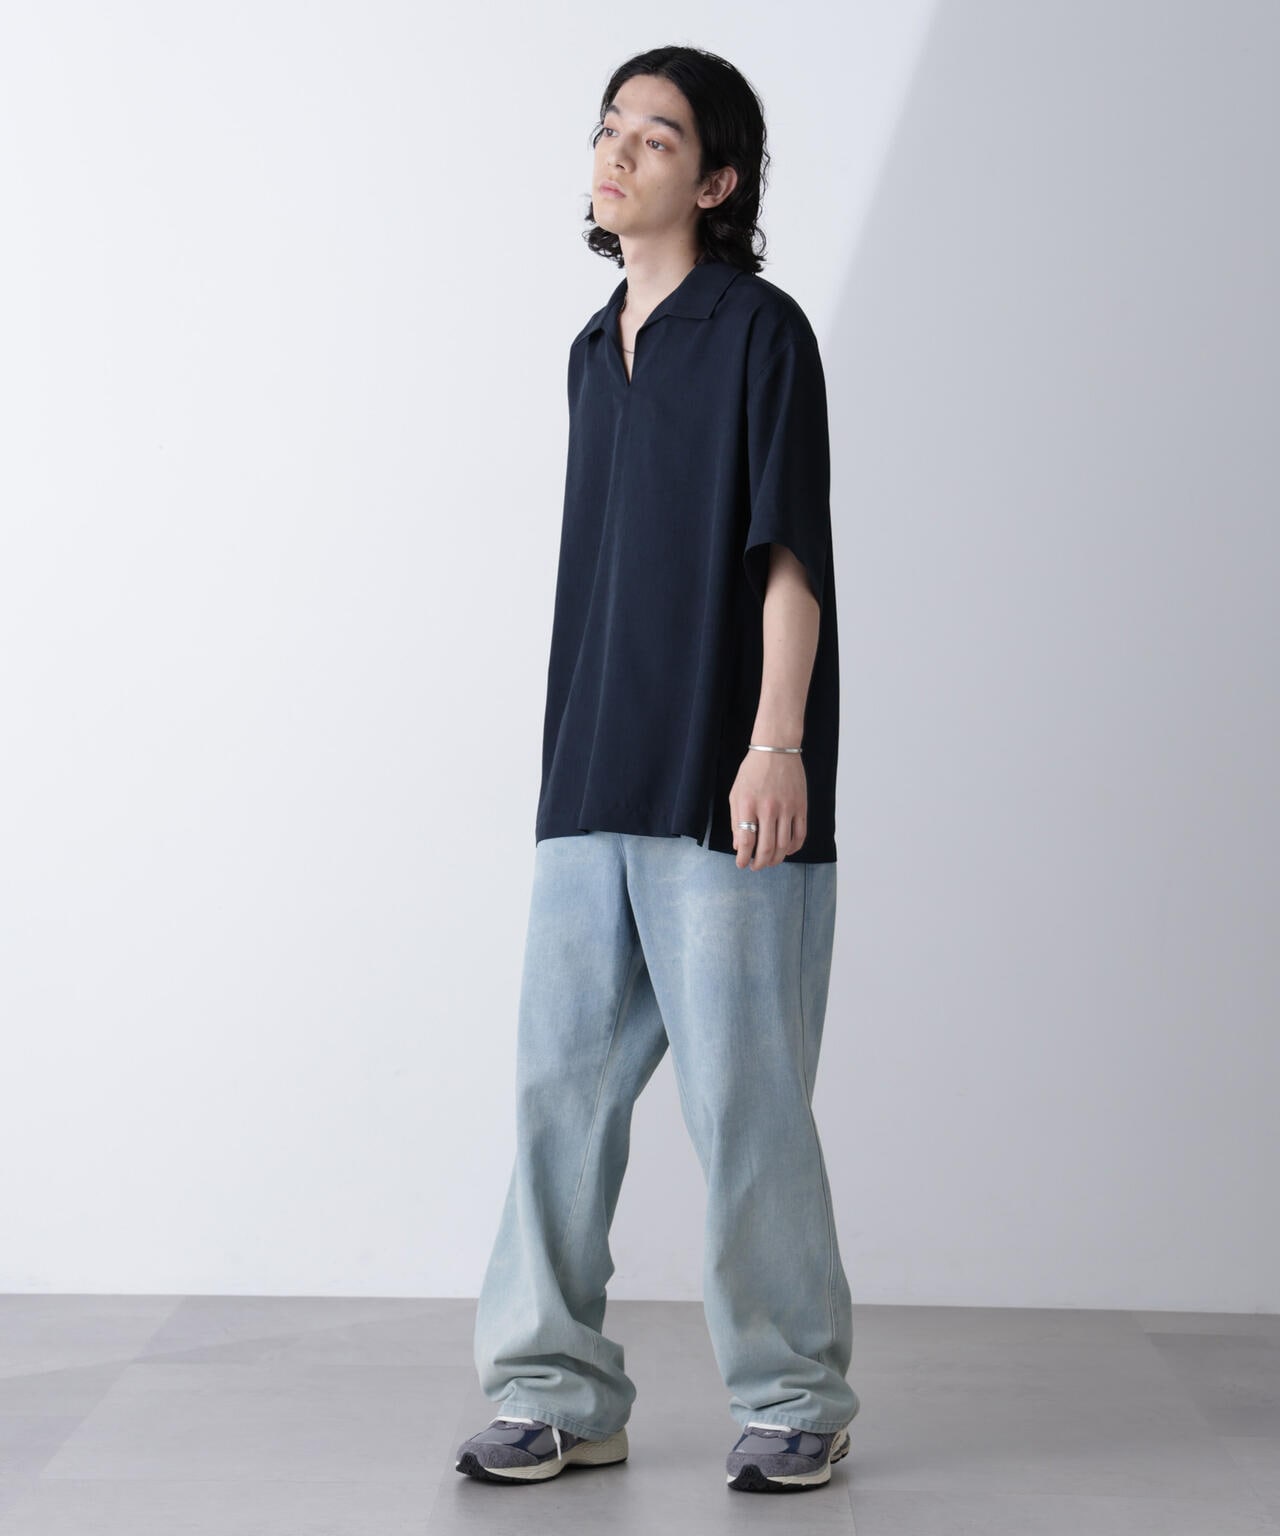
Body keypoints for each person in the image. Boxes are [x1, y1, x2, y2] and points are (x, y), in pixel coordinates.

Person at [455, 44, 859, 1495]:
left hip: (727, 776)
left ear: (721, 179)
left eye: (660, 136)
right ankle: (555, 1391)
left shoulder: (762, 333)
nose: (619, 152)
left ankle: (796, 1393)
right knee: (557, 1096)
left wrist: (775, 741)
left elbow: (789, 553)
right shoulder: (591, 348)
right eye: (610, 127)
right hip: (591, 775)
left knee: (746, 1104)